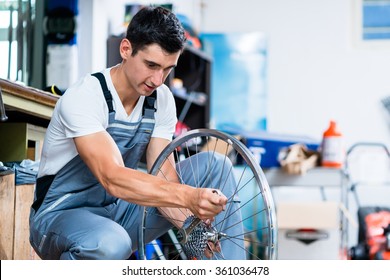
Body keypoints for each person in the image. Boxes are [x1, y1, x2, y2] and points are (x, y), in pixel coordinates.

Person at [29, 6, 245, 260]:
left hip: (116, 212)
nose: (157, 79)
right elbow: (112, 177)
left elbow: (165, 177)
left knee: (216, 166)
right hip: (60, 216)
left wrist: (190, 227)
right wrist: (189, 197)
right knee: (111, 242)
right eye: (151, 65)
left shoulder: (161, 99)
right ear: (126, 49)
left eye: (167, 69)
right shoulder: (86, 96)